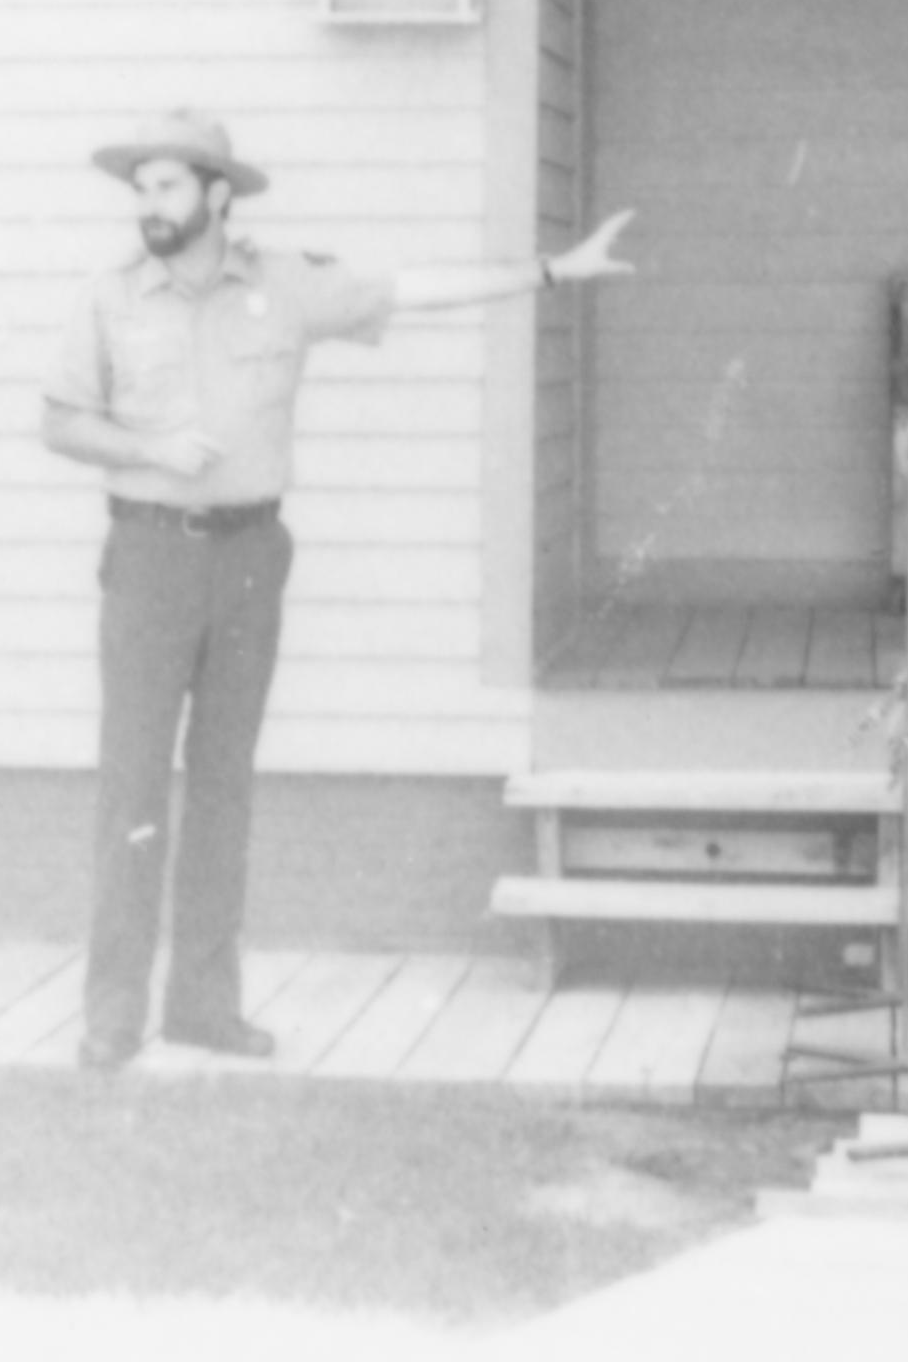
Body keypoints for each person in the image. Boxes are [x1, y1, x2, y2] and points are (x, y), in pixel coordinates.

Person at [41, 110, 636, 1073]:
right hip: (147, 560)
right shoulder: (108, 298)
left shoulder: (288, 285)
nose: (147, 206)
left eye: (166, 187)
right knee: (134, 791)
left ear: (217, 194)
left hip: (248, 559)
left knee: (226, 787)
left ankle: (202, 1007)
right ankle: (112, 1016)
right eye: (139, 189)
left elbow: (418, 289)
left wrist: (553, 271)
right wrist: (147, 448)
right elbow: (61, 422)